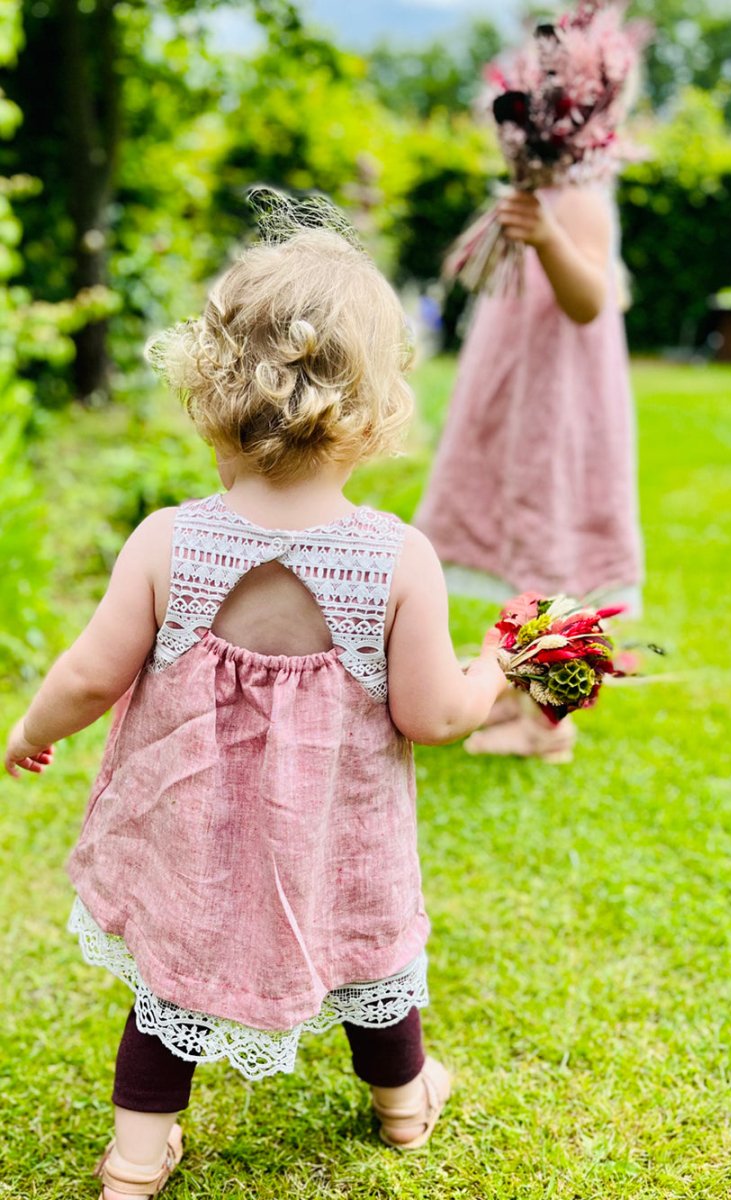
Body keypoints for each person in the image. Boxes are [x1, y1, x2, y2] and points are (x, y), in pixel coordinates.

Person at [4, 220, 507, 1199]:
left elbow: (87, 675)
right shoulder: (395, 560)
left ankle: (135, 1158)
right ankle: (403, 1105)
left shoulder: (169, 543)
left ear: (212, 394)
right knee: (371, 960)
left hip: (194, 840)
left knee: (169, 991)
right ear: (371, 410)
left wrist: (31, 731)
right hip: (334, 844)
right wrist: (490, 671)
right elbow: (434, 714)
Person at [416, 185, 643, 761]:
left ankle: (548, 726)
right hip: (518, 390)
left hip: (555, 396)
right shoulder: (543, 190)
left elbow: (591, 299)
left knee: (545, 536)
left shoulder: (578, 198)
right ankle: (517, 690)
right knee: (515, 536)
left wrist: (545, 234)